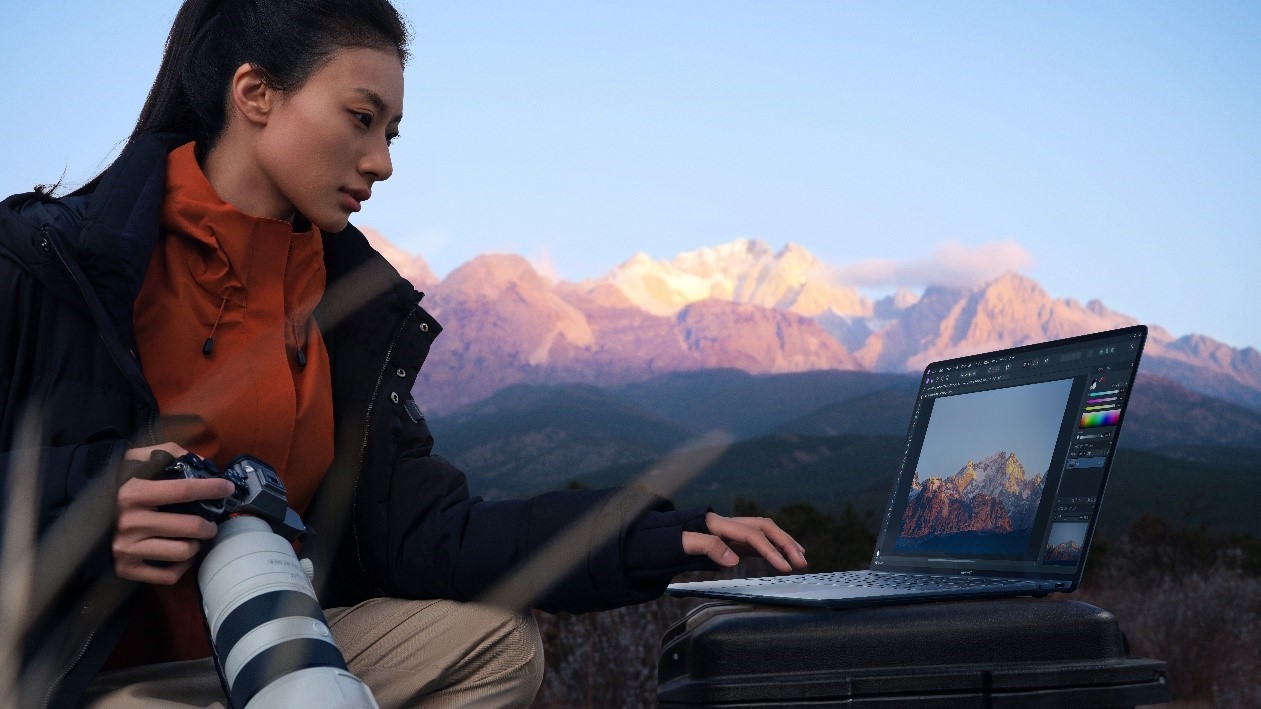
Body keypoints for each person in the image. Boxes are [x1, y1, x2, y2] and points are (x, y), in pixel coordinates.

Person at [0, 1, 808, 707]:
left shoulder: (343, 307)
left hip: (271, 665)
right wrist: (81, 506)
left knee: (496, 642)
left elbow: (431, 531)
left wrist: (653, 536)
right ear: (254, 93)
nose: (382, 161)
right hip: (82, 676)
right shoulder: (46, 263)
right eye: (360, 118)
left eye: (390, 133)